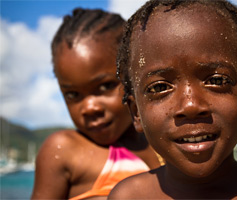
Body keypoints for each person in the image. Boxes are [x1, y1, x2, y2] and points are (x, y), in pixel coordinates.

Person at [107, 0, 237, 198]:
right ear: (136, 113)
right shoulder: (128, 196)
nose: (190, 106)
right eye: (160, 87)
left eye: (216, 81)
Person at [32, 8, 162, 200]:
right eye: (73, 94)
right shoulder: (65, 151)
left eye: (105, 86)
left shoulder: (166, 145)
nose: (90, 108)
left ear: (134, 72)